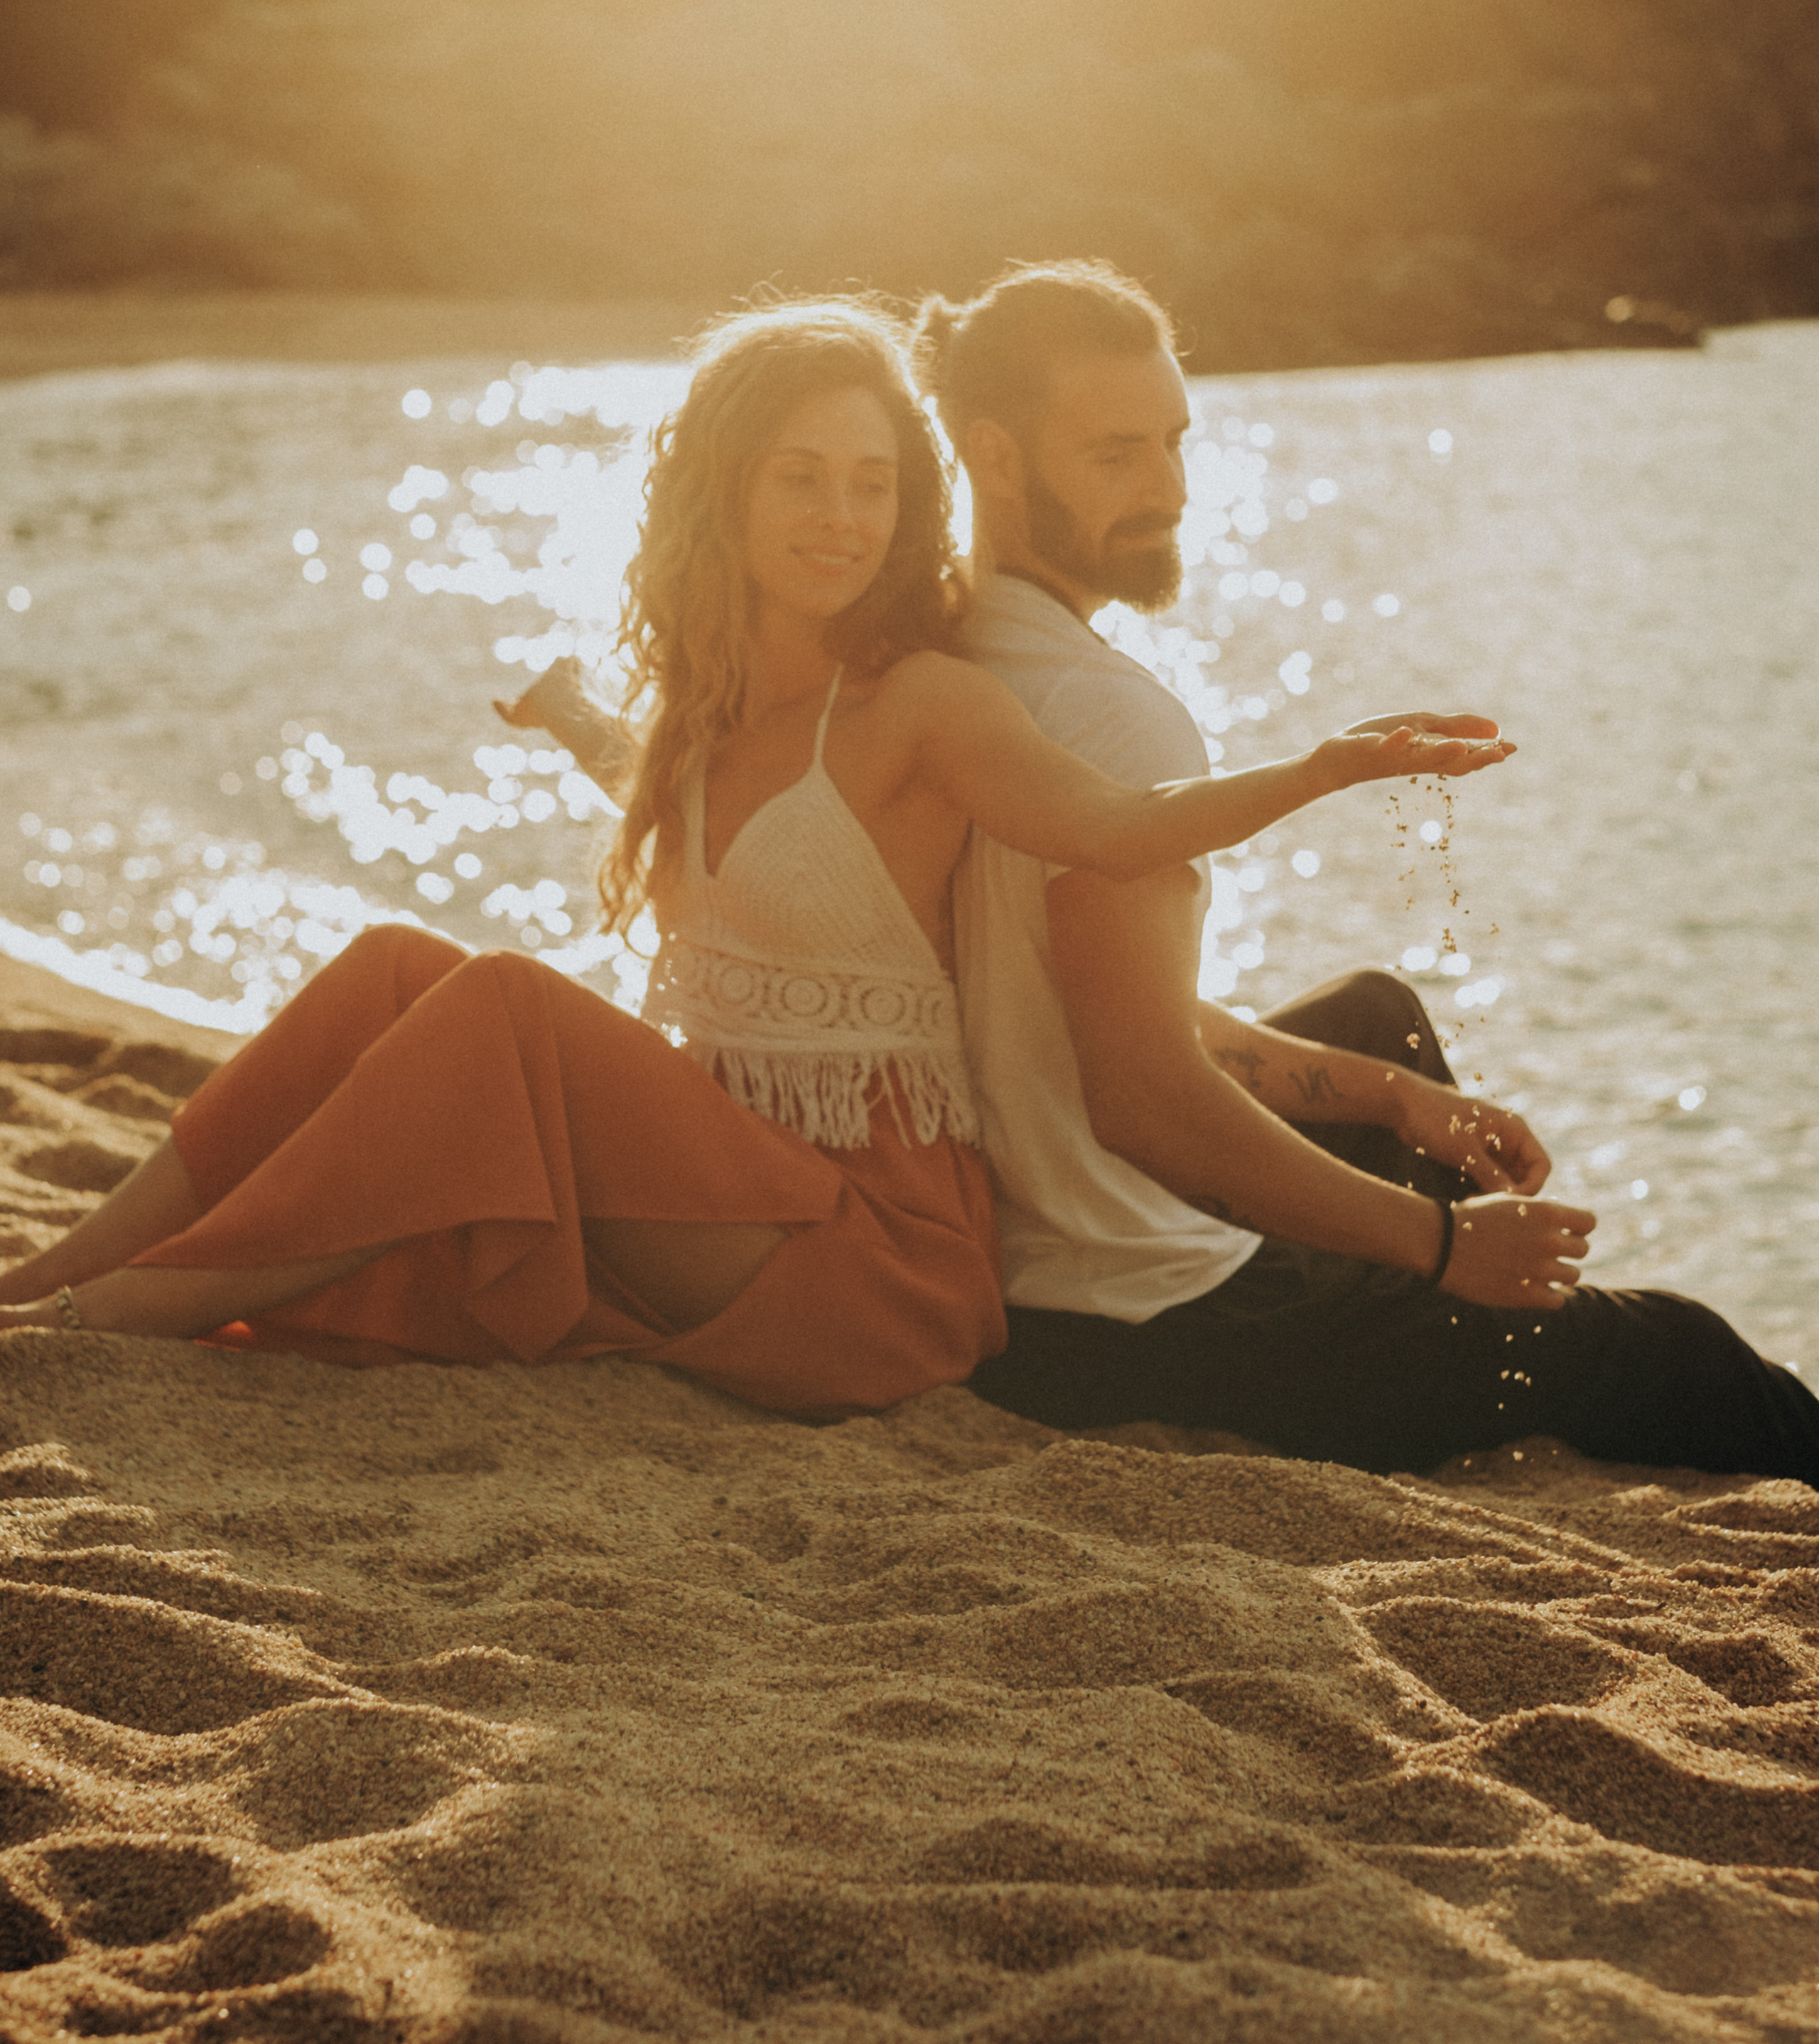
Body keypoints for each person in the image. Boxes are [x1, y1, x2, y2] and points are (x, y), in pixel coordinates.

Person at [0, 302, 1509, 1416]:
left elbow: (1114, 826)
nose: (842, 518)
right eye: (802, 477)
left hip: (880, 1261)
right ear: (724, 489)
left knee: (507, 1007)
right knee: (396, 967)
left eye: (871, 482)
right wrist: (574, 717)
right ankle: (52, 1277)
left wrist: (1318, 771)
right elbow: (700, 815)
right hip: (738, 1178)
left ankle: (117, 1320)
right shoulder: (708, 709)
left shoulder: (924, 704)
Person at [915, 259, 1819, 1482]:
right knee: (1678, 1353)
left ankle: (1477, 1329)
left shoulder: (942, 660)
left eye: (1174, 443)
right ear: (995, 456)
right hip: (1125, 1314)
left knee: (1373, 1020)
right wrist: (1442, 1243)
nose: (1167, 489)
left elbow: (1079, 1005)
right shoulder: (1111, 716)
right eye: (1115, 454)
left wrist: (1388, 1098)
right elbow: (1142, 1099)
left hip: (1021, 1259)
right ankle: (1485, 1326)